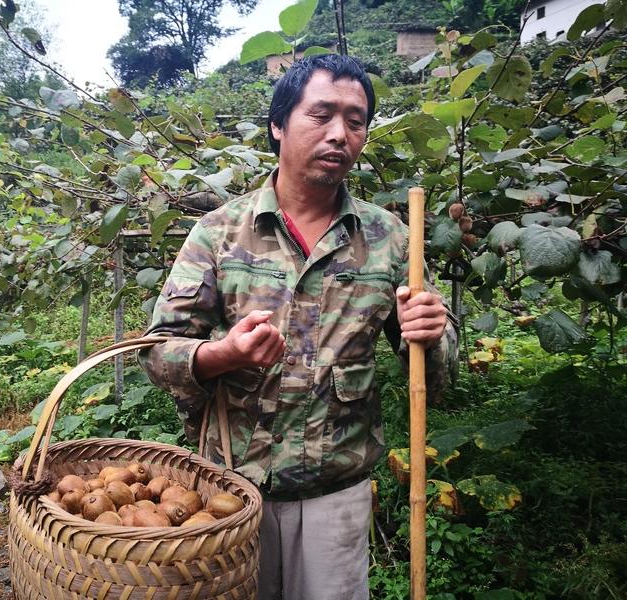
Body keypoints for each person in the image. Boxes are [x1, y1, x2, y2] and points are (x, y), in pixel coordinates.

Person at [139, 54, 457, 600]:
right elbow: (158, 351)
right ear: (278, 124)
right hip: (229, 493)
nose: (340, 133)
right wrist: (224, 355)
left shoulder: (393, 239)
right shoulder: (218, 232)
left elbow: (440, 371)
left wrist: (428, 333)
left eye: (355, 121)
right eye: (321, 114)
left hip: (337, 492)